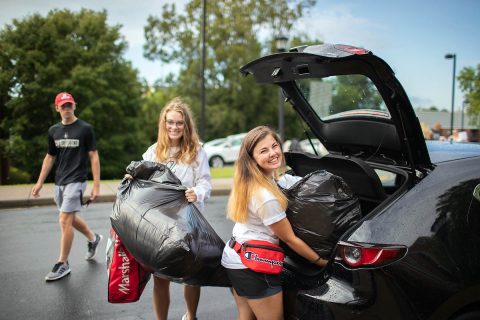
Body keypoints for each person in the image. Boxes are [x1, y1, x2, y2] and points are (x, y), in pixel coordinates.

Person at [221, 126, 328, 320]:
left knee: (246, 317)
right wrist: (322, 262)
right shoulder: (265, 197)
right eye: (264, 151)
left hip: (236, 257)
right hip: (252, 265)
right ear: (252, 158)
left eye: (274, 145)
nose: (273, 153)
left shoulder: (259, 180)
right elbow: (290, 239)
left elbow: (291, 182)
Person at [140, 97, 211, 320]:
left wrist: (196, 192)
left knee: (191, 275)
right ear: (164, 124)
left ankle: (191, 316)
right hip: (160, 225)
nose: (174, 127)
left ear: (186, 125)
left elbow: (206, 183)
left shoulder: (197, 151)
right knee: (160, 278)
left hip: (189, 223)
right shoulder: (153, 152)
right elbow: (143, 182)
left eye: (179, 123)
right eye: (170, 122)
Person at [31, 92, 102, 281]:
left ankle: (63, 263)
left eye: (69, 105)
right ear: (57, 108)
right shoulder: (53, 130)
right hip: (60, 181)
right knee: (68, 217)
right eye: (63, 106)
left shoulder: (85, 129)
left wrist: (96, 186)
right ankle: (93, 238)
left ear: (74, 106)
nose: (67, 108)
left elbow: (93, 156)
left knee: (64, 219)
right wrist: (39, 182)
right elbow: (50, 157)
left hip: (77, 180)